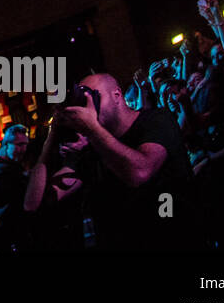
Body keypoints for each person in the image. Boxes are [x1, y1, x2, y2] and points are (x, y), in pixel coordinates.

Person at [49, 74, 198, 250]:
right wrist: (51, 138)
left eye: (94, 97)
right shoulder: (92, 146)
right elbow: (42, 199)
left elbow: (140, 172)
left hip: (174, 240)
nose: (90, 107)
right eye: (84, 101)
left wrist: (92, 129)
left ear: (117, 95)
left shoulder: (157, 120)